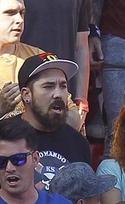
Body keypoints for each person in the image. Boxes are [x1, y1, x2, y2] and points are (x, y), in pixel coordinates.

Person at [13, 54, 93, 188]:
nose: (58, 94)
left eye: (63, 86)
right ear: (26, 95)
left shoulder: (79, 143)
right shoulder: (3, 137)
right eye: (48, 86)